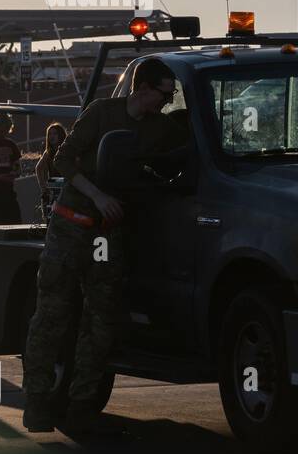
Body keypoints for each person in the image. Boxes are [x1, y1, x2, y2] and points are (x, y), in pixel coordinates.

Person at [22, 58, 186, 434]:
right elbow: (63, 158)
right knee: (52, 316)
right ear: (143, 88)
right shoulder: (101, 114)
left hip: (105, 236)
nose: (168, 101)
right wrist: (96, 195)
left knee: (100, 321)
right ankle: (37, 402)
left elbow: (185, 152)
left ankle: (82, 405)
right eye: (165, 93)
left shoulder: (161, 129)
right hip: (70, 226)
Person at [35, 122, 68, 221]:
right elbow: (39, 168)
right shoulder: (48, 152)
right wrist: (43, 187)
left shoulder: (66, 149)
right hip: (54, 187)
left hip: (66, 187)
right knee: (50, 217)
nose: (51, 136)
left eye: (54, 134)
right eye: (49, 134)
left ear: (61, 135)